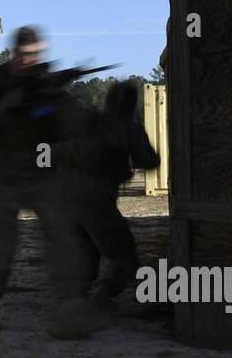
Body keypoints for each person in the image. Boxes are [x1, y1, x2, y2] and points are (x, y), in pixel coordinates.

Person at [0, 26, 97, 338]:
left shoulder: (45, 84)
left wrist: (56, 98)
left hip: (41, 173)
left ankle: (69, 305)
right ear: (14, 54)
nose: (30, 61)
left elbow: (74, 127)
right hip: (2, 175)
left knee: (62, 234)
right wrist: (10, 102)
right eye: (24, 55)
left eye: (35, 55)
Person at [64, 80, 160, 311]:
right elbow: (148, 160)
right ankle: (100, 298)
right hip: (97, 202)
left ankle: (76, 303)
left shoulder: (89, 121)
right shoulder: (126, 124)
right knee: (124, 256)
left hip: (69, 199)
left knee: (87, 253)